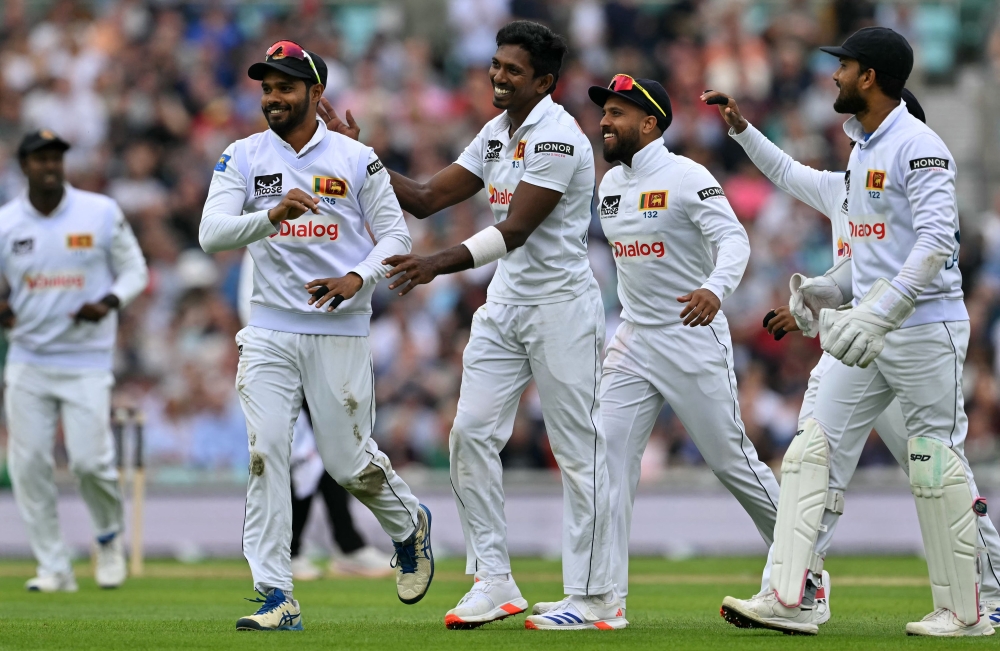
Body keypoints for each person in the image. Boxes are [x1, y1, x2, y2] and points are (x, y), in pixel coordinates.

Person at [322, 21, 623, 630]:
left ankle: (597, 599)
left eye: (513, 70)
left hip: (561, 308)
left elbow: (516, 229)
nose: (497, 76)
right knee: (468, 434)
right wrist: (361, 156)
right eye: (496, 65)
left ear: (544, 81)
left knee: (576, 449)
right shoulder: (496, 132)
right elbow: (429, 196)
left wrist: (437, 263)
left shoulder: (559, 135)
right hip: (505, 305)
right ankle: (494, 580)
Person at [714, 27, 993, 637]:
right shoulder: (861, 151)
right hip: (862, 333)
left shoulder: (921, 146)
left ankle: (969, 611)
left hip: (922, 330)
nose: (833, 76)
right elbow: (868, 258)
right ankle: (792, 598)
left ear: (868, 75)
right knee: (812, 450)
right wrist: (827, 291)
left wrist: (879, 312)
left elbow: (937, 245)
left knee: (934, 464)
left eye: (842, 67)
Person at [200, 40, 433, 632]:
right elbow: (212, 234)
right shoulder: (244, 155)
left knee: (345, 463)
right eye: (266, 87)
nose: (273, 98)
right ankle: (276, 594)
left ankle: (409, 525)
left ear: (315, 93)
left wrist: (358, 277)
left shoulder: (357, 158)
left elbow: (396, 237)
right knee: (265, 452)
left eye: (285, 87)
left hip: (340, 328)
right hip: (271, 330)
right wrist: (270, 216)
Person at [586, 75, 783, 619]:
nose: (606, 121)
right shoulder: (608, 186)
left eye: (619, 113)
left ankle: (801, 569)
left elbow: (734, 240)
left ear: (650, 123)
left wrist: (714, 291)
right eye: (605, 112)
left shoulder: (687, 175)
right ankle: (602, 599)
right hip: (634, 336)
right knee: (605, 460)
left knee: (731, 461)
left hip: (690, 334)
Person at [0, 130, 148, 592]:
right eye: (40, 160)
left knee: (89, 463)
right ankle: (53, 567)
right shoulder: (6, 222)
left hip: (86, 357)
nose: (49, 167)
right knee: (28, 466)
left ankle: (107, 541)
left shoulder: (99, 212)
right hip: (28, 356)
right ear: (24, 166)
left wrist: (107, 302)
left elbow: (136, 271)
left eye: (56, 159)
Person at [237, 253, 392, 581]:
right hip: (282, 357)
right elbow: (250, 303)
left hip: (324, 351)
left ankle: (338, 544)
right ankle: (304, 549)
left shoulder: (323, 233)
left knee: (325, 454)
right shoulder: (268, 232)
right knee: (304, 456)